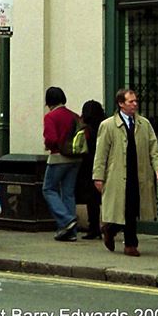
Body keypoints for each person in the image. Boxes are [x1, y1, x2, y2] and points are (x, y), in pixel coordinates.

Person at [92, 88, 158, 257]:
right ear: (121, 104)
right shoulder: (108, 125)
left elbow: (154, 148)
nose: (135, 104)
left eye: (136, 101)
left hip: (139, 173)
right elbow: (101, 153)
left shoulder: (144, 124)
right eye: (131, 101)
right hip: (118, 174)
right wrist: (98, 176)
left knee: (133, 207)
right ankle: (125, 240)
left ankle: (117, 234)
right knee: (124, 208)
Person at [42, 86, 81, 241]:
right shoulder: (74, 116)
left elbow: (51, 139)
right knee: (68, 192)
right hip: (76, 158)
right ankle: (70, 232)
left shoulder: (51, 117)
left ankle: (66, 220)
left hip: (59, 157)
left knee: (48, 189)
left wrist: (48, 145)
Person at [76, 100, 105, 239]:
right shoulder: (104, 126)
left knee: (91, 199)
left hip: (88, 165)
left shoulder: (86, 129)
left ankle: (94, 227)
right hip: (104, 164)